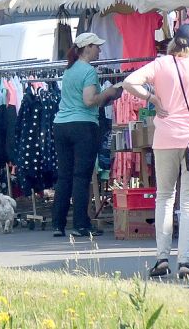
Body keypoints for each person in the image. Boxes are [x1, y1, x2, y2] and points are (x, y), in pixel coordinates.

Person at [123, 24, 189, 279]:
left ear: (176, 42)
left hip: (165, 137)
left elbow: (128, 81)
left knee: (164, 196)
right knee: (188, 200)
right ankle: (186, 262)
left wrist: (152, 98)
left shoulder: (162, 63)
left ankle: (161, 258)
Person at [52, 33, 123, 238]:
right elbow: (89, 101)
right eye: (97, 47)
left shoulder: (70, 70)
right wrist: (109, 93)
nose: (99, 50)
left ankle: (58, 223)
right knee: (81, 176)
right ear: (88, 48)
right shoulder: (89, 71)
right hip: (83, 125)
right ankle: (81, 223)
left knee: (64, 175)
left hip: (61, 124)